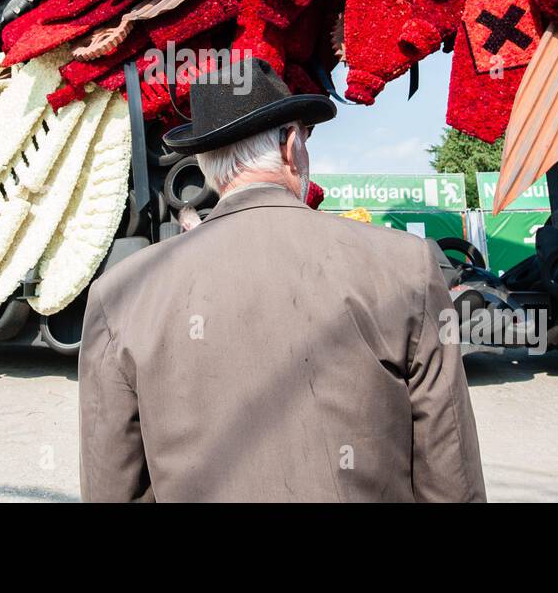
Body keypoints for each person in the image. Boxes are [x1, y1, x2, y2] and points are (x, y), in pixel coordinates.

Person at [78, 56, 486, 502]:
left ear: (206, 165)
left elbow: (112, 487)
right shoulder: (406, 265)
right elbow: (450, 473)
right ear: (291, 145)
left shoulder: (120, 294)